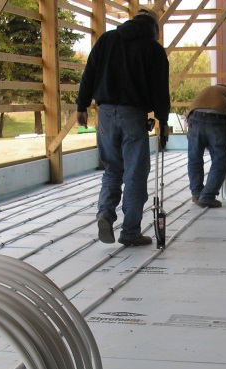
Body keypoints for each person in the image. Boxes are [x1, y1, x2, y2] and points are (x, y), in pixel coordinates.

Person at [76, 8, 171, 247]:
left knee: (112, 170)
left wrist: (81, 106)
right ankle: (130, 232)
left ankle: (105, 214)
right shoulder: (154, 50)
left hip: (105, 113)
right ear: (154, 29)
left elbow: (89, 73)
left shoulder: (107, 39)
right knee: (135, 174)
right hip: (133, 115)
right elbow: (160, 90)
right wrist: (163, 120)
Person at [186, 84, 226, 208]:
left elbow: (191, 110)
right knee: (220, 160)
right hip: (218, 119)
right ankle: (207, 197)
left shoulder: (207, 89)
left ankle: (196, 193)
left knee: (194, 158)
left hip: (194, 117)